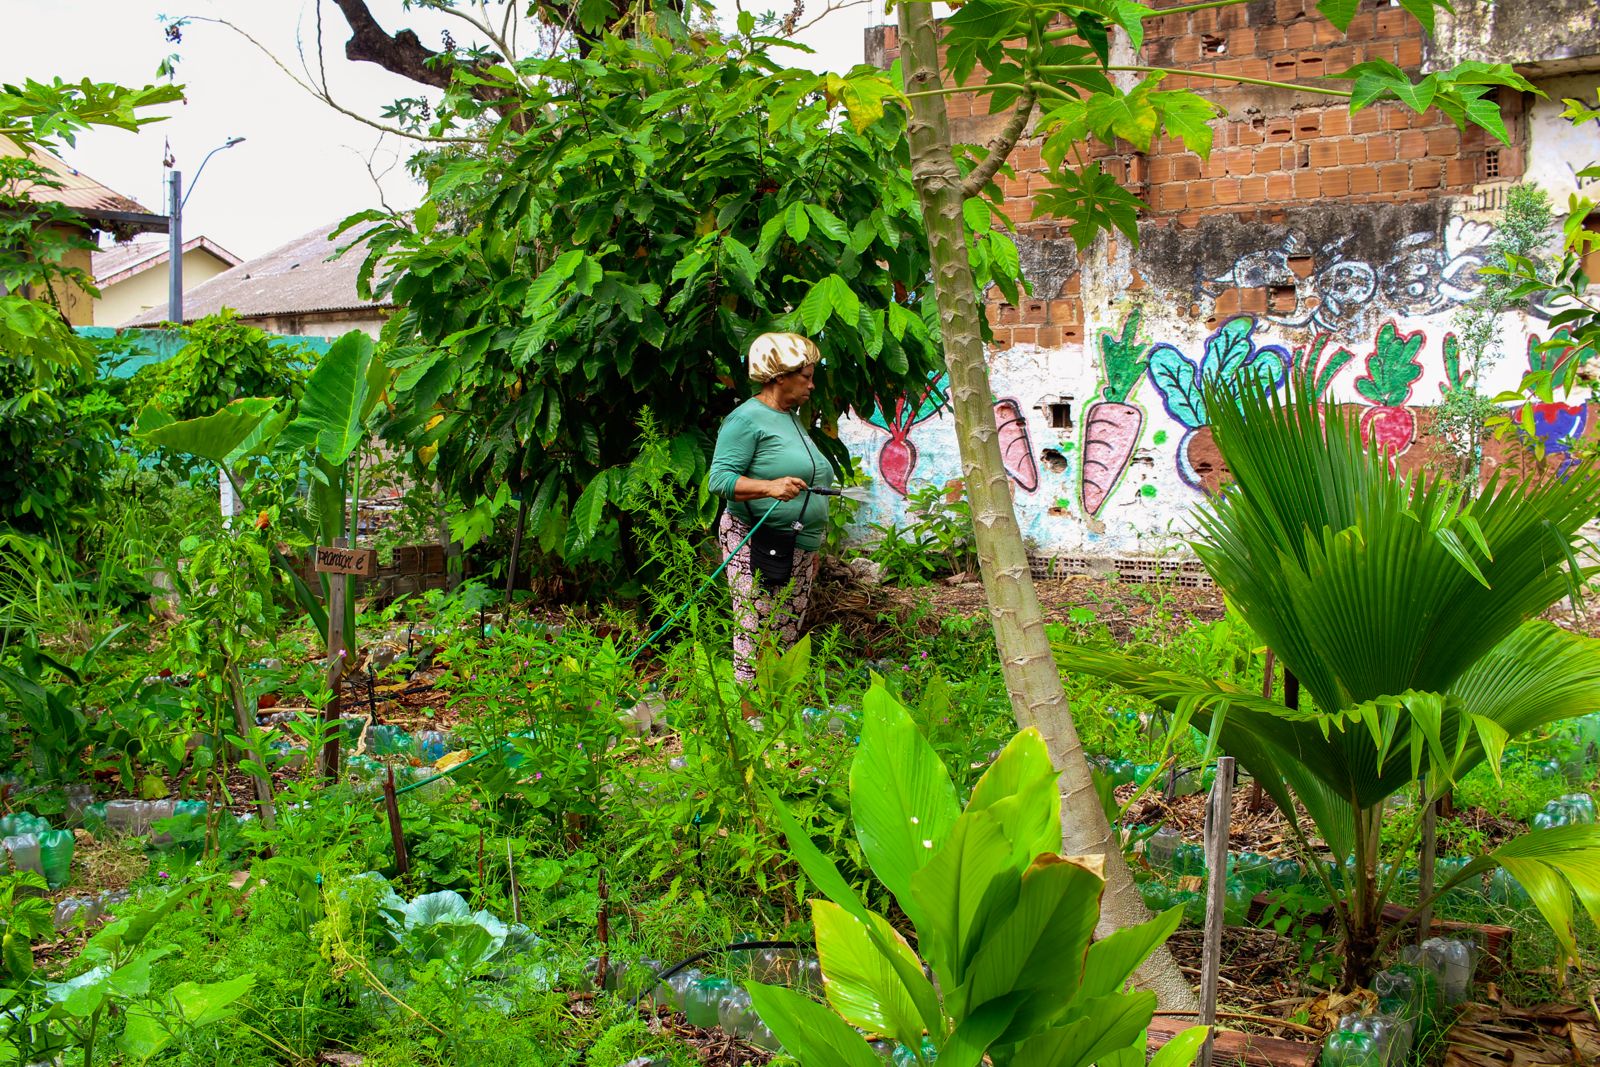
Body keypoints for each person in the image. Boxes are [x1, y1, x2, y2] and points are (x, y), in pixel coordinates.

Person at [707, 332, 834, 683]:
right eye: (806, 377)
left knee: (783, 635)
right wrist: (770, 487)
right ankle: (751, 723)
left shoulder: (791, 418)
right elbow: (719, 480)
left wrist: (812, 547)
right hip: (754, 539)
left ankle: (774, 713)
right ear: (780, 377)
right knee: (756, 629)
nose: (811, 386)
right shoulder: (747, 419)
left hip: (797, 546)